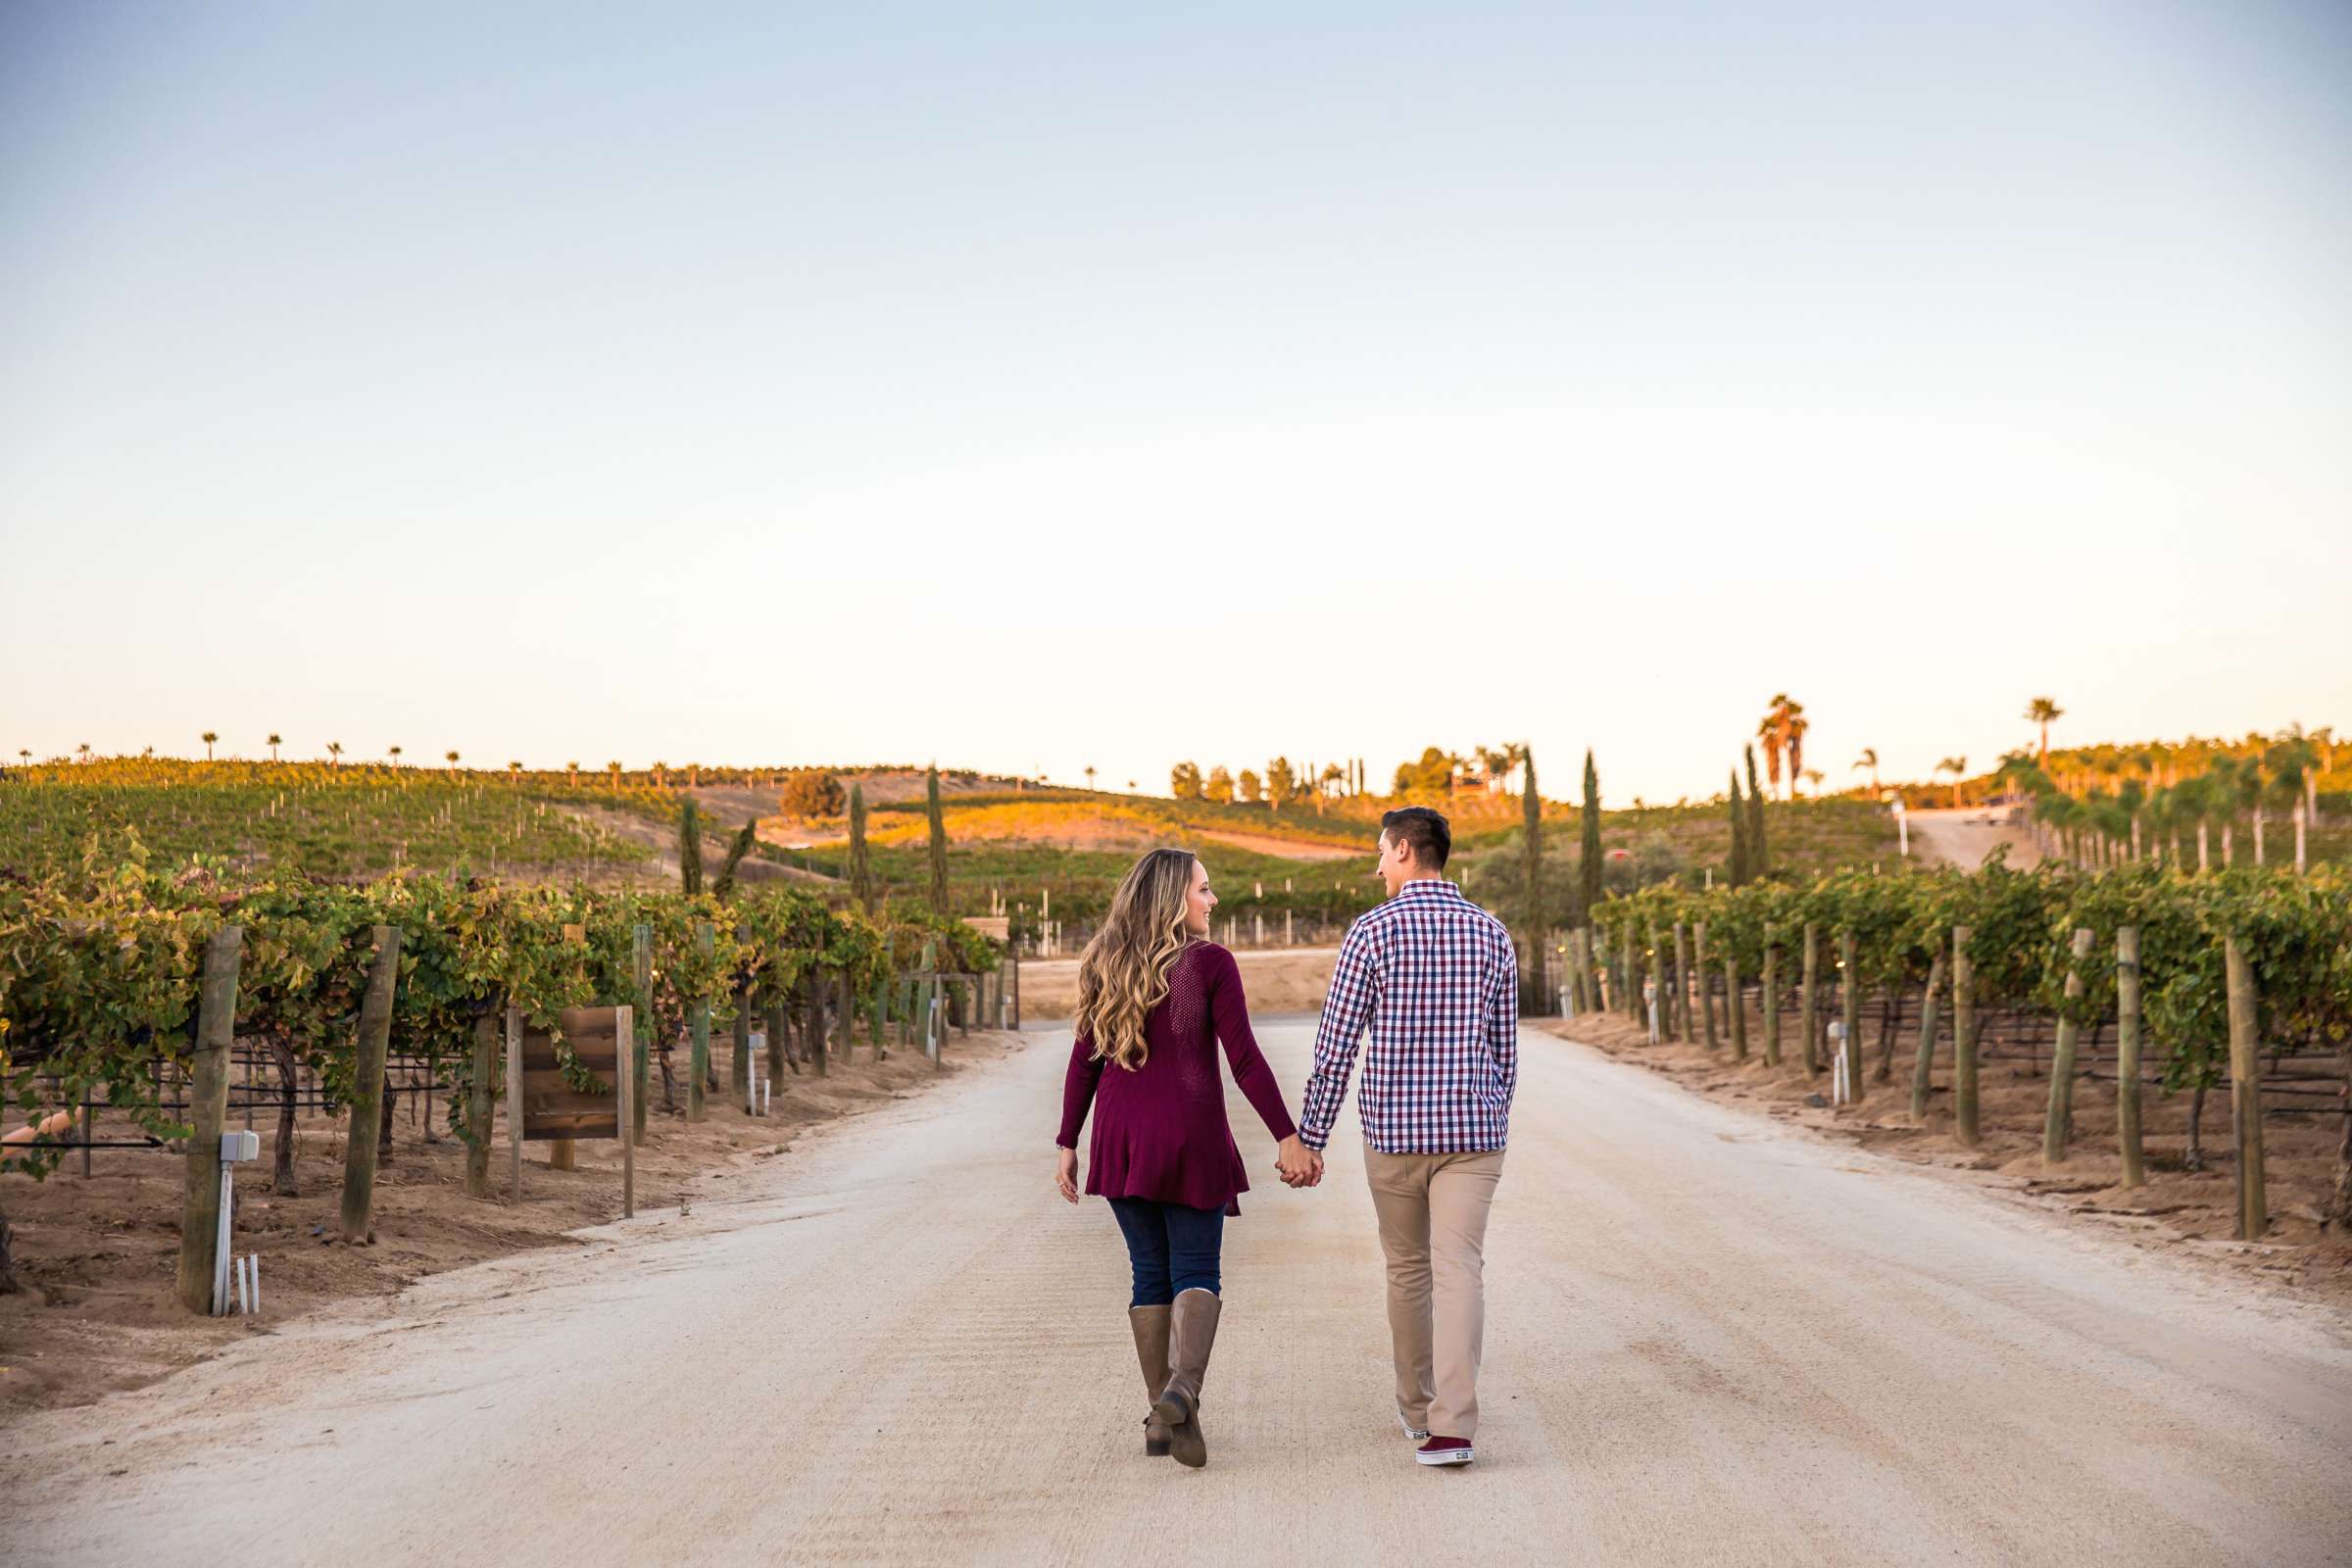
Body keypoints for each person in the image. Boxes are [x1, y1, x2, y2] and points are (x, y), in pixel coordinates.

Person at [1055, 848, 1320, 1468]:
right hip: (1191, 1133)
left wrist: (1068, 1143)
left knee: (1149, 1274)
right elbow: (1245, 1057)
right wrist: (1287, 1134)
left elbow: (1082, 1062)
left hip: (1121, 1139)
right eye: (1205, 889)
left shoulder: (1106, 961)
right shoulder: (1210, 963)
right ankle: (1182, 1391)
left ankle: (1161, 1419)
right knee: (1196, 1270)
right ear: (1175, 896)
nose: (1213, 899)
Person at [1297, 806, 1517, 1468]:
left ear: (1402, 850)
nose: (1376, 866)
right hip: (1472, 1138)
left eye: (1380, 853)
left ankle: (1419, 1412)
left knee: (1409, 1269)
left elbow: (1336, 1045)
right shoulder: (1491, 933)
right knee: (1460, 1270)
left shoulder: (1371, 933)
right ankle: (1454, 1427)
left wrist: (1311, 1135)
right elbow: (1503, 1050)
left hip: (1394, 1136)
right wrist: (1489, 1116)